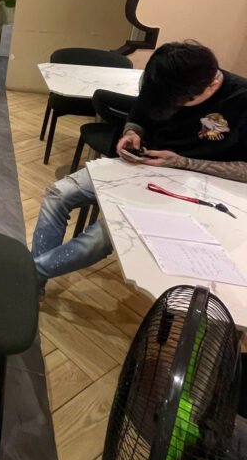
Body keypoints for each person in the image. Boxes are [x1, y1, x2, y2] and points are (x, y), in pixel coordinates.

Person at [32, 41, 247, 289]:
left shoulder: (240, 99)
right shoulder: (162, 80)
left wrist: (182, 162)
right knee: (57, 194)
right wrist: (131, 133)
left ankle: (27, 274)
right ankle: (32, 282)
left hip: (193, 189)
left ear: (211, 86)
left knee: (103, 235)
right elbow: (138, 116)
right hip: (140, 166)